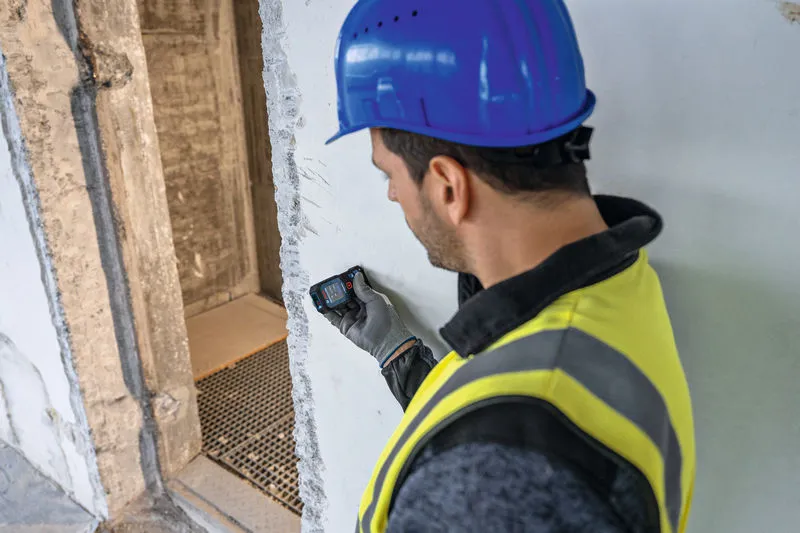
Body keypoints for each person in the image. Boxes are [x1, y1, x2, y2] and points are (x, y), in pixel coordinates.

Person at [323, 1, 696, 532]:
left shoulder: (494, 488)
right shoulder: (618, 284)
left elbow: (501, 456)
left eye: (390, 175)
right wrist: (396, 353)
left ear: (448, 186)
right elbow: (504, 414)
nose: (392, 195)